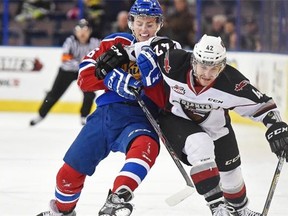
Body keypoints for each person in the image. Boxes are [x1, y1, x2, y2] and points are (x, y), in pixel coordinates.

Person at [36, 1, 168, 216]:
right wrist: (110, 80)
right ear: (131, 23)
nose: (144, 30)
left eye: (151, 25)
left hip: (141, 117)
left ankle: (117, 198)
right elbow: (84, 79)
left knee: (146, 146)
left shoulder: (168, 51)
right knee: (67, 175)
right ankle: (61, 211)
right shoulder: (115, 42)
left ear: (159, 25)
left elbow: (171, 95)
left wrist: (148, 87)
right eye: (140, 23)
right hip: (106, 115)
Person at [133, 34, 288, 216]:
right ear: (193, 61)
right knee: (201, 145)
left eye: (214, 68)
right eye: (203, 66)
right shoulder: (173, 62)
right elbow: (149, 46)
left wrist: (277, 127)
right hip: (175, 120)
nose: (207, 74)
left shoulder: (232, 83)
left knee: (232, 175)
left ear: (222, 66)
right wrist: (122, 53)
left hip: (217, 127)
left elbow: (263, 105)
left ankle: (239, 211)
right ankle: (217, 208)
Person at [30, 19, 100, 126]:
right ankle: (40, 114)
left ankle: (84, 116)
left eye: (85, 30)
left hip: (85, 72)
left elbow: (100, 57)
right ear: (75, 31)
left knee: (89, 93)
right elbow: (65, 59)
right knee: (54, 93)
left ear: (90, 31)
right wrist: (83, 63)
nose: (82, 33)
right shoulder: (70, 41)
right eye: (79, 30)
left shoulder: (96, 42)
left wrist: (85, 64)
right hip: (67, 71)